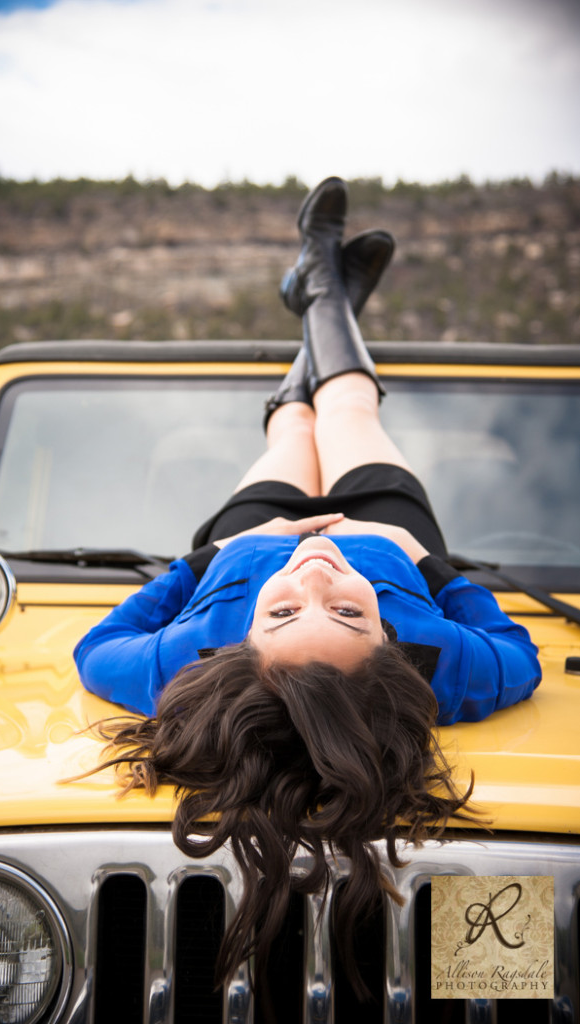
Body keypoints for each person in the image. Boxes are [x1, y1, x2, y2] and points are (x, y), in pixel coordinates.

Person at [73, 177, 541, 997]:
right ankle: (326, 287)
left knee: (292, 424)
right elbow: (518, 653)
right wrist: (426, 565)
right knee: (350, 408)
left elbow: (94, 647)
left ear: (239, 650)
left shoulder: (189, 660)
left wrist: (204, 560)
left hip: (247, 540)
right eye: (350, 615)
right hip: (389, 542)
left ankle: (323, 285)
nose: (317, 579)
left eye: (284, 614)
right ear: (395, 654)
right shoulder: (440, 663)